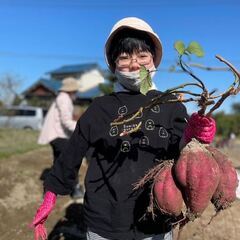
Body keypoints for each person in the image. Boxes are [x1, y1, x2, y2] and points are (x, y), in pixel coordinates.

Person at [30, 17, 216, 240]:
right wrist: (51, 193)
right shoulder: (100, 108)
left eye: (142, 56)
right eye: (125, 57)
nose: (134, 64)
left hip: (156, 216)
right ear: (114, 64)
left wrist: (195, 137)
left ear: (154, 60)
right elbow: (72, 152)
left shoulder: (170, 105)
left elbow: (180, 152)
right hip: (105, 219)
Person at [38, 77, 84, 199]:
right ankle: (75, 189)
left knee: (59, 163)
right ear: (72, 90)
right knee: (70, 162)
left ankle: (50, 191)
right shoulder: (64, 99)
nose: (76, 93)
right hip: (58, 135)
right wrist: (82, 128)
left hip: (56, 135)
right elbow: (66, 122)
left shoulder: (62, 98)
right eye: (75, 91)